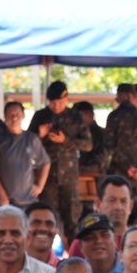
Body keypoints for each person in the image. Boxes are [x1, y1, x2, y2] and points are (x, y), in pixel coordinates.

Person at [29, 80, 93, 248]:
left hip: (69, 176)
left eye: (59, 102)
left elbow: (88, 144)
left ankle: (74, 253)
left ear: (66, 99)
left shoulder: (75, 117)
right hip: (46, 178)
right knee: (47, 218)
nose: (56, 106)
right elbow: (27, 144)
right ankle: (45, 254)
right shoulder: (40, 116)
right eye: (52, 102)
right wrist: (39, 134)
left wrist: (66, 140)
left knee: (71, 219)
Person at [0, 98, 50, 210]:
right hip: (8, 201)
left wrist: (40, 186)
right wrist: (2, 195)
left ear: (23, 115)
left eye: (17, 114)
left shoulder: (31, 139)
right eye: (10, 115)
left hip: (30, 200)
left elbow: (45, 163)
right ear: (5, 117)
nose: (14, 117)